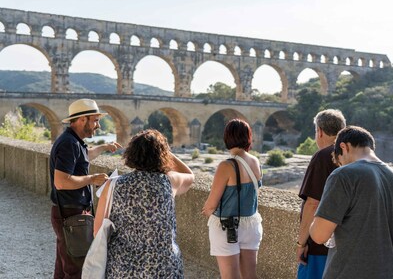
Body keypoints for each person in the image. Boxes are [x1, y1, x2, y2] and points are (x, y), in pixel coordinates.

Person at [310, 126, 393, 279]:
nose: (342, 166)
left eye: (341, 162)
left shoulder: (343, 175)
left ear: (343, 147)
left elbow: (319, 235)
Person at [94, 129, 195, 278]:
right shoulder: (170, 181)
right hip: (164, 267)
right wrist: (166, 152)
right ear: (162, 156)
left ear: (131, 154)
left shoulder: (112, 185)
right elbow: (190, 176)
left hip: (122, 267)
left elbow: (97, 231)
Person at [50, 98, 122, 279]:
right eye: (95, 120)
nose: (98, 125)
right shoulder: (69, 144)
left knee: (64, 264)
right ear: (82, 119)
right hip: (71, 212)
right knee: (76, 268)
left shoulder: (74, 141)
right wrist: (92, 179)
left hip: (68, 211)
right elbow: (61, 181)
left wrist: (104, 147)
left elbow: (85, 156)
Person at [202, 118, 263, 279]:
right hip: (251, 224)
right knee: (250, 276)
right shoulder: (255, 161)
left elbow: (211, 205)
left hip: (227, 226)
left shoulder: (226, 166)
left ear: (227, 137)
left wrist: (208, 212)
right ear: (248, 137)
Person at [296, 109, 346, 279]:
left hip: (319, 246)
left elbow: (312, 204)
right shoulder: (351, 156)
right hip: (344, 244)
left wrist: (301, 243)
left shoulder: (323, 156)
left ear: (320, 131)